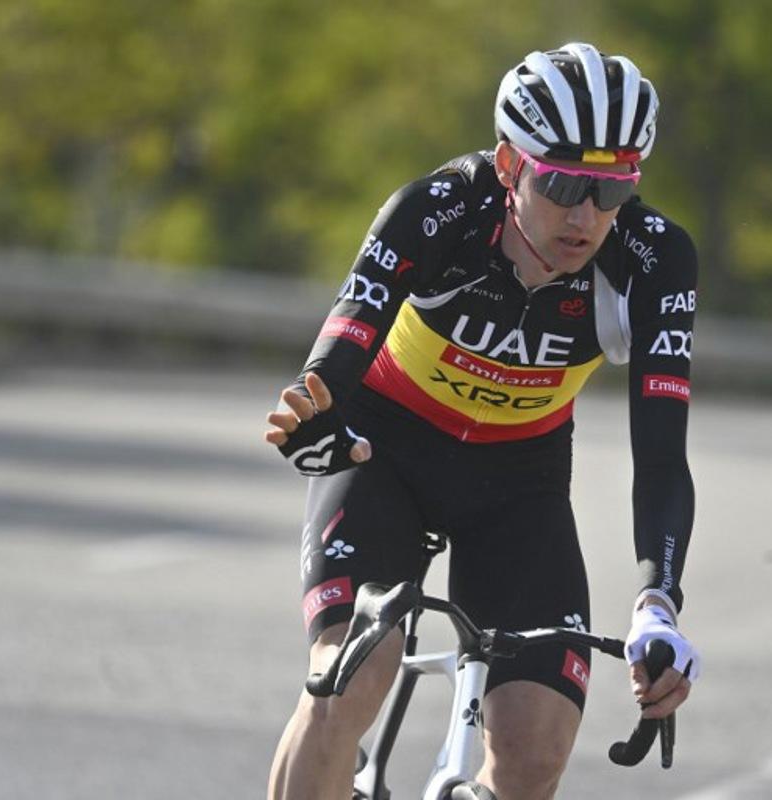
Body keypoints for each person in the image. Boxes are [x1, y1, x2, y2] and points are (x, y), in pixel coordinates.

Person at [264, 42, 700, 800]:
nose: (586, 214)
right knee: (349, 678)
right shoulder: (437, 212)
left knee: (537, 750)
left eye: (613, 187)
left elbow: (661, 457)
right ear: (508, 164)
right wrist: (312, 411)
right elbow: (336, 355)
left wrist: (658, 603)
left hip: (518, 481)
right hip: (382, 452)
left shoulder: (654, 260)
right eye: (563, 182)